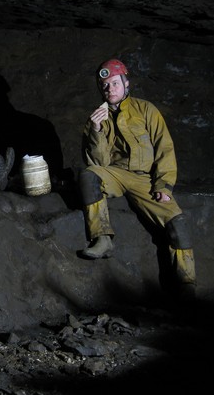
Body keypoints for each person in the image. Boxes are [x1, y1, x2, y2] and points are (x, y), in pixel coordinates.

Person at [79, 59, 196, 295]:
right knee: (89, 176)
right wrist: (97, 130)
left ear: (126, 83)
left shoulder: (145, 110)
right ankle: (102, 238)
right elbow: (98, 163)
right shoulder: (96, 119)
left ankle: (187, 289)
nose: (109, 89)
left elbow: (165, 147)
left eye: (114, 83)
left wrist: (163, 184)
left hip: (146, 180)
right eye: (104, 86)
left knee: (178, 226)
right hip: (116, 174)